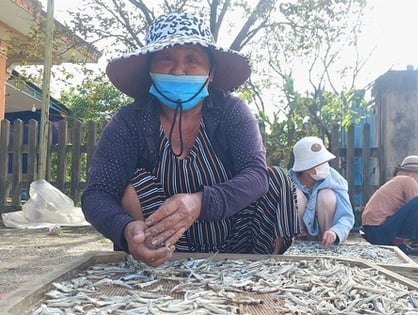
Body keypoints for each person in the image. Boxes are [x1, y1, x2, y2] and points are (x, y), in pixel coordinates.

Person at [81, 12, 299, 267]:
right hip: (166, 242)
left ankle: (264, 270)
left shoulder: (231, 112)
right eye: (165, 58)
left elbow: (256, 176)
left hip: (237, 238)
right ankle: (152, 262)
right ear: (149, 69)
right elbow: (97, 194)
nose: (179, 70)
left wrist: (199, 202)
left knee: (277, 180)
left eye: (192, 59)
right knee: (131, 185)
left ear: (211, 73)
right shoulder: (130, 121)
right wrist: (126, 227)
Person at [360, 155, 418, 255]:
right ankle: (399, 243)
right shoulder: (408, 180)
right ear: (413, 173)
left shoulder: (396, 182)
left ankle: (400, 243)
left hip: (372, 233)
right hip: (379, 232)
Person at [288, 136, 355, 249]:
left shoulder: (334, 179)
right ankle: (297, 243)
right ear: (307, 169)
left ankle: (326, 243)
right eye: (321, 163)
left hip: (326, 237)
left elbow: (347, 216)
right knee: (295, 195)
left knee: (327, 195)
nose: (326, 166)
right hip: (296, 239)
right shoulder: (287, 181)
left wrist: (335, 232)